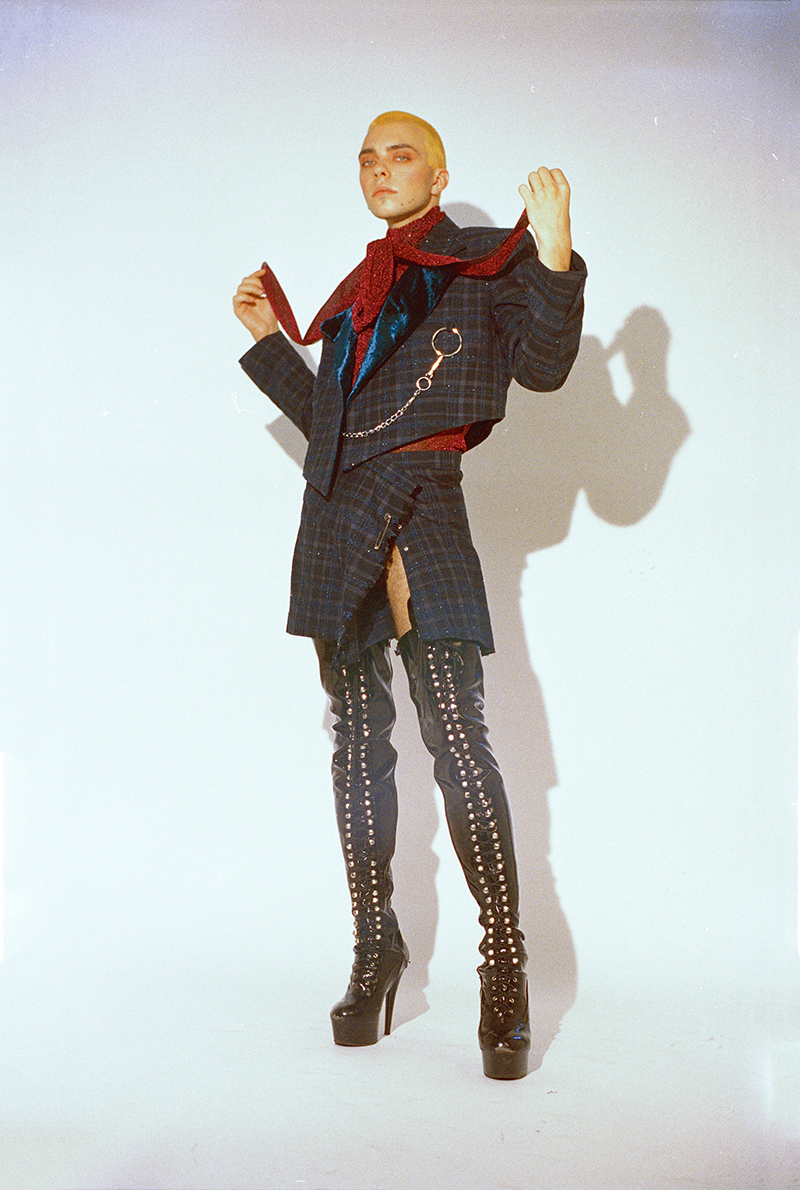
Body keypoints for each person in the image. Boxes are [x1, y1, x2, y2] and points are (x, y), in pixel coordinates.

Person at [233, 111, 586, 1080]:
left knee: (457, 734)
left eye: (400, 156)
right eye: (367, 158)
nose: (379, 169)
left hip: (427, 500)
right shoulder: (355, 293)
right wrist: (269, 343)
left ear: (436, 174)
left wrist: (555, 253)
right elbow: (335, 428)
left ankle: (503, 963)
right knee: (356, 742)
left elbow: (544, 366)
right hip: (338, 515)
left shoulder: (482, 261)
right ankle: (374, 948)